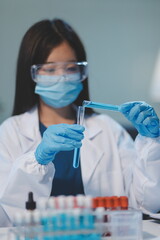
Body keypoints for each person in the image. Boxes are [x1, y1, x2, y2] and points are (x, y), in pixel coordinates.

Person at [0, 18, 160, 227]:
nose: (63, 77)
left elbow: (145, 204)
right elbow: (11, 215)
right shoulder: (10, 132)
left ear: (82, 72)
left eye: (71, 68)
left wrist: (151, 142)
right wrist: (38, 159)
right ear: (31, 73)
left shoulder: (108, 130)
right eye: (50, 70)